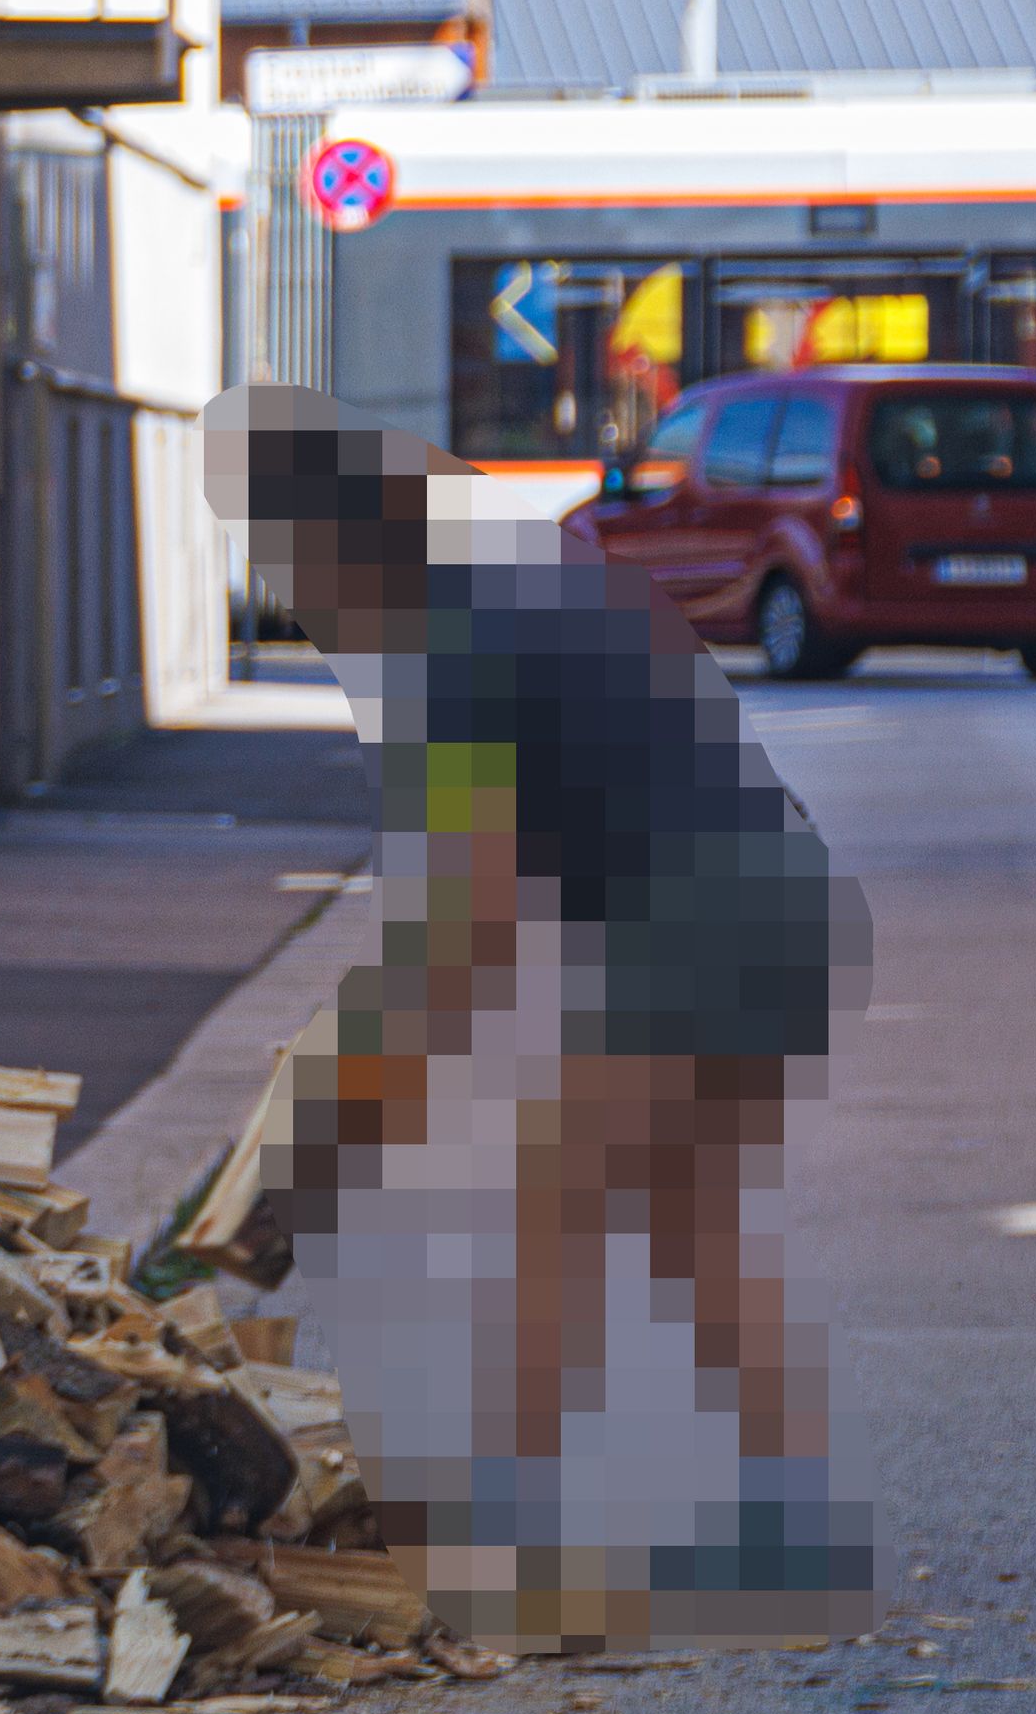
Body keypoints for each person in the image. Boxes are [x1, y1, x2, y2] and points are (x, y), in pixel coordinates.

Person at [211, 385, 871, 1644]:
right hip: (770, 901)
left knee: (550, 1207)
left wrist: (358, 1076)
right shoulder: (530, 568)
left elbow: (478, 895)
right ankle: (776, 1526)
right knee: (683, 1221)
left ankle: (523, 1545)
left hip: (696, 924)